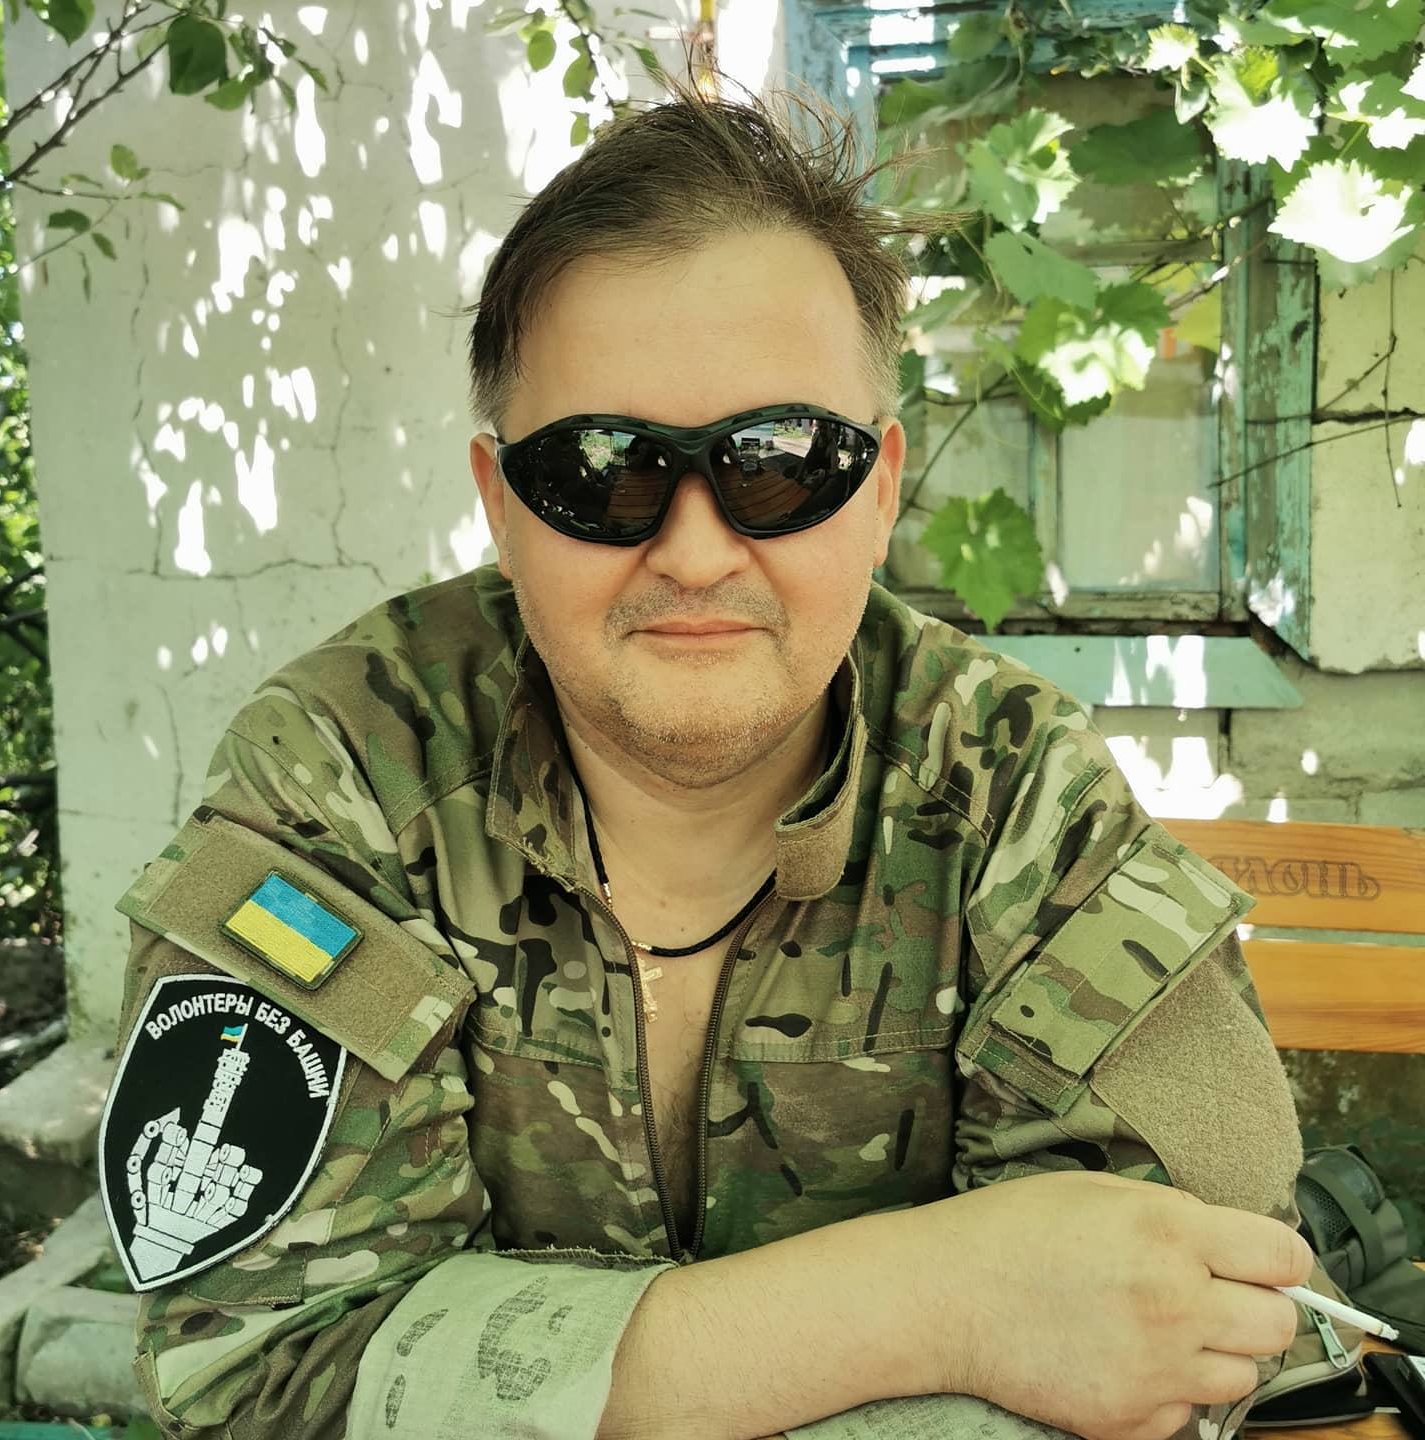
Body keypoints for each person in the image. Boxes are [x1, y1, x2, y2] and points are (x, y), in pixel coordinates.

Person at [99, 63, 1326, 1440]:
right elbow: (266, 1380)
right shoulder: (341, 776)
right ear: (501, 503)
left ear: (881, 490)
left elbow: (1185, 1336)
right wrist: (941, 1302)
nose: (693, 551)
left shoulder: (1014, 793)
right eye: (602, 468)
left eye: (780, 460)